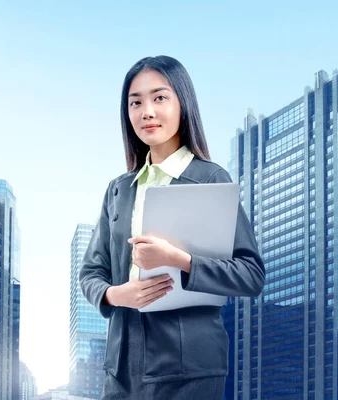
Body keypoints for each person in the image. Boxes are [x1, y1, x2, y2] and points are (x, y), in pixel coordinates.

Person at [79, 55, 265, 399]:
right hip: (121, 368)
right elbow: (90, 273)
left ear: (183, 104)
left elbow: (250, 274)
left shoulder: (210, 179)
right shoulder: (119, 190)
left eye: (159, 98)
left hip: (190, 368)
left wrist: (180, 259)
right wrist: (118, 294)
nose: (147, 111)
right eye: (136, 102)